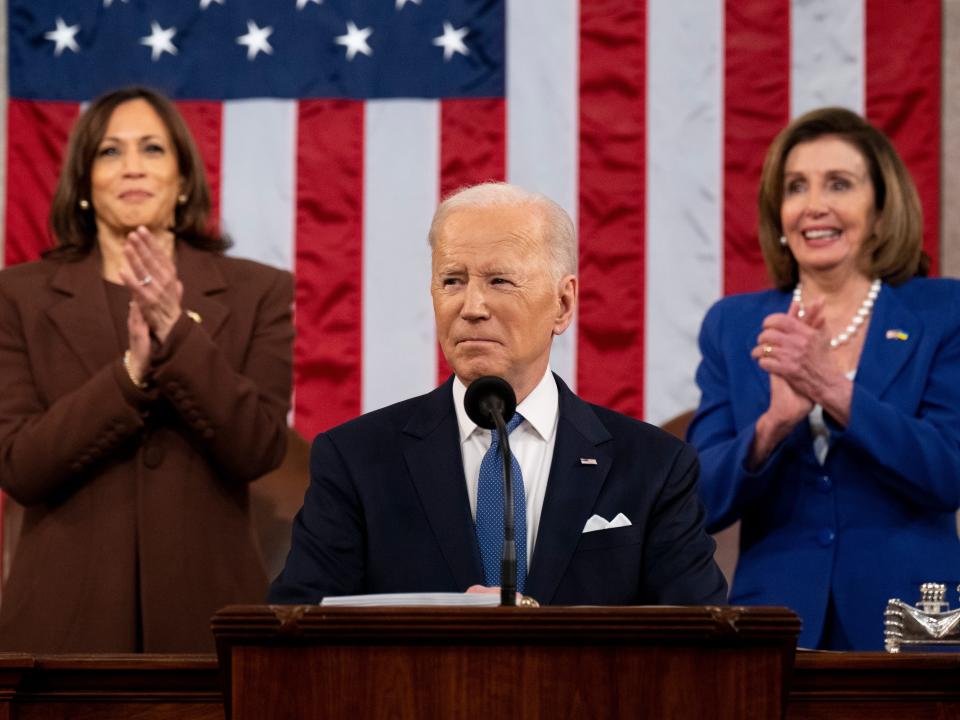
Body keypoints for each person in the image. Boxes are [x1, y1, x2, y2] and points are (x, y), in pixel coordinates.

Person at [270, 182, 726, 606]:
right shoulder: (356, 460)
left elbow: (701, 646)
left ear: (563, 304)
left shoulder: (653, 466)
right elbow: (297, 632)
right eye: (452, 280)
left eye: (499, 281)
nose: (471, 308)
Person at [0, 86, 294, 652]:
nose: (132, 166)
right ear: (84, 182)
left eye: (152, 149)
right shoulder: (19, 297)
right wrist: (130, 373)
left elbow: (257, 448)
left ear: (183, 179)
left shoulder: (259, 291)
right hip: (61, 630)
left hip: (208, 625)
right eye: (110, 151)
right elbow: (19, 465)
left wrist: (178, 335)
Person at [688, 107, 960, 650]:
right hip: (776, 625)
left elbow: (948, 471)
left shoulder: (942, 313)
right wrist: (772, 425)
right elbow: (696, 502)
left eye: (839, 184)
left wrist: (833, 390)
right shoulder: (734, 324)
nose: (815, 205)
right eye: (796, 187)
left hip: (911, 624)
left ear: (881, 210)